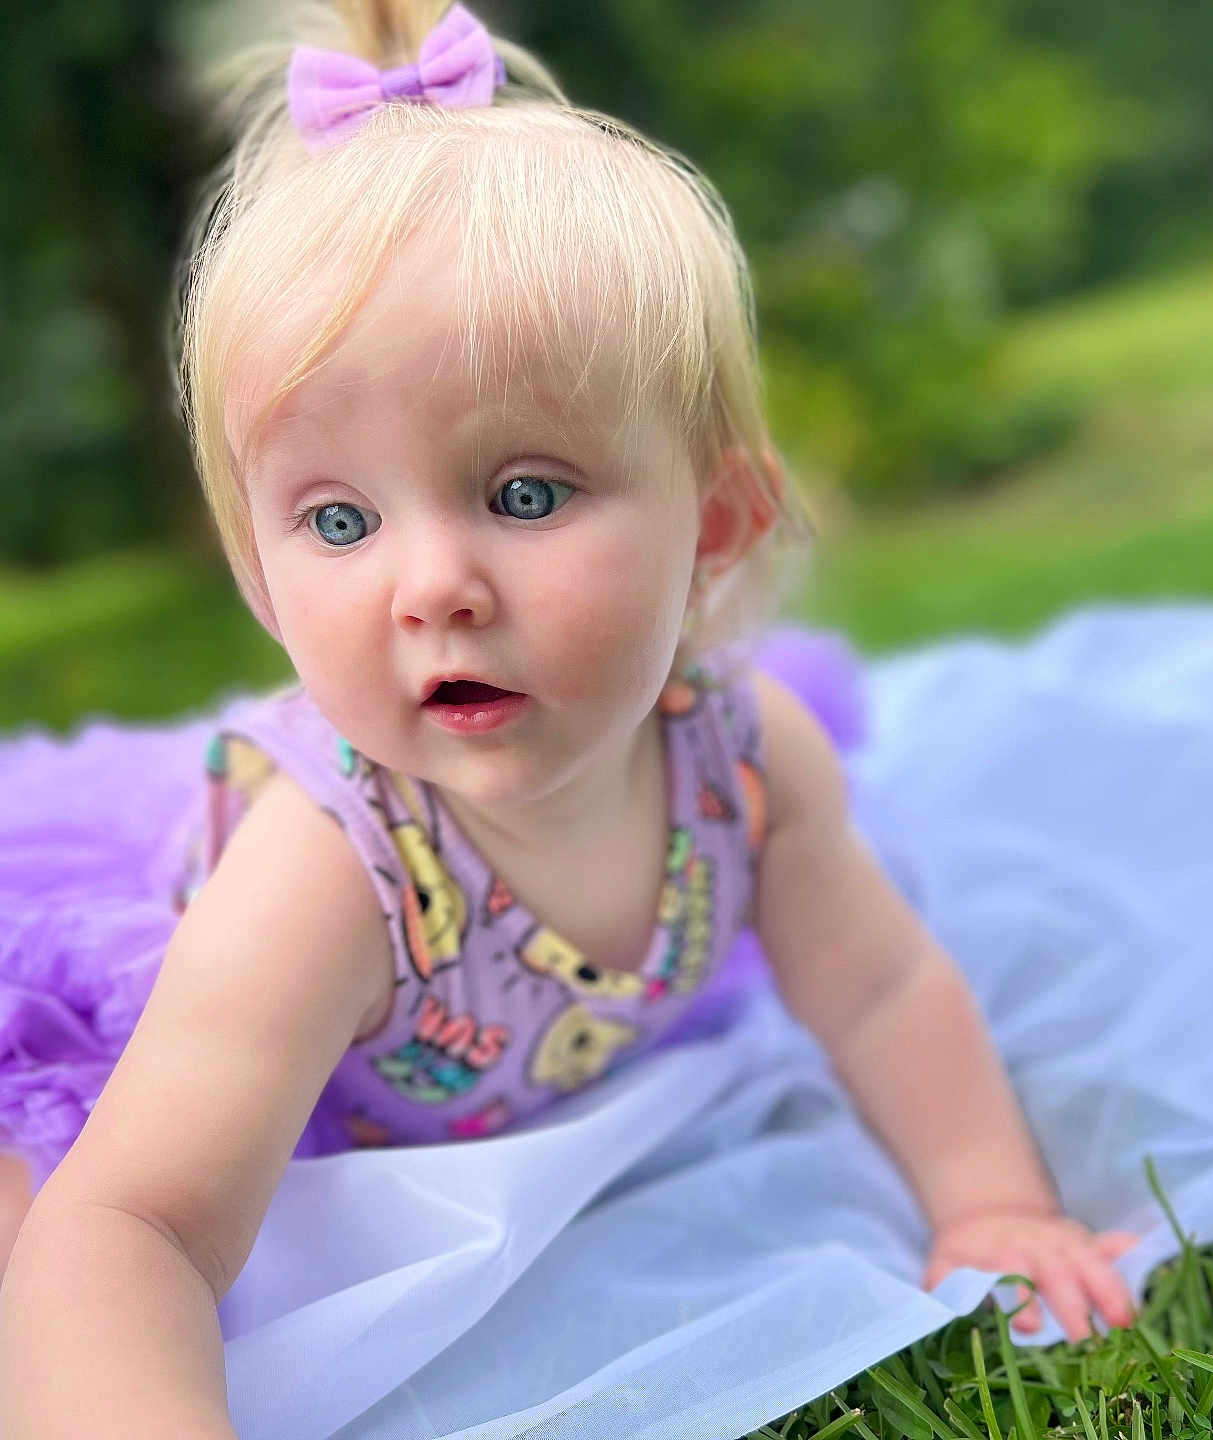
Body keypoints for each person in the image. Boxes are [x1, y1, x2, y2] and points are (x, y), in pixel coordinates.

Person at [0, 3, 1135, 1431]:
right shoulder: (319, 884)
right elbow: (137, 1225)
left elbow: (880, 987)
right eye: (338, 519)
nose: (435, 589)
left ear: (714, 521)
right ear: (261, 580)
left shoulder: (740, 759)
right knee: (35, 1223)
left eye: (525, 494)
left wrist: (994, 1204)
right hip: (219, 1035)